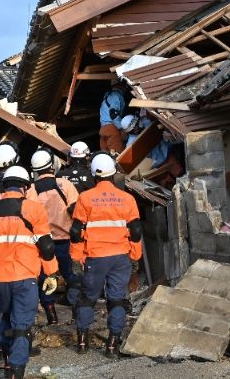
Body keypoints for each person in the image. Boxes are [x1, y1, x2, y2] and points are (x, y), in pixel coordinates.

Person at [0, 166, 59, 379]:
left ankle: (5, 361)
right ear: (25, 186)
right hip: (25, 276)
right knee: (22, 325)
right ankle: (16, 371)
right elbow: (47, 246)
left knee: (3, 318)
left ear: (4, 185)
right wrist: (50, 273)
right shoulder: (34, 209)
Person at [69, 152, 143, 358]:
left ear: (94, 175)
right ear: (113, 174)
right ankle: (112, 345)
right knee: (117, 299)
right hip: (120, 257)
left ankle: (82, 343)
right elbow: (135, 231)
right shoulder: (127, 199)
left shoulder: (85, 198)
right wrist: (135, 257)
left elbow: (76, 232)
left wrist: (76, 258)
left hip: (95, 256)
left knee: (87, 298)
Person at [28, 148, 81, 324]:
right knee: (72, 277)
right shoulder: (65, 185)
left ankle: (51, 316)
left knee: (46, 280)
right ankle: (77, 314)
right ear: (52, 166)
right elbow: (76, 211)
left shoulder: (31, 190)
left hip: (43, 244)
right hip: (67, 242)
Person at [98, 83, 128, 154]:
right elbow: (113, 113)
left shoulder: (108, 95)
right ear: (120, 86)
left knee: (105, 155)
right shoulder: (117, 96)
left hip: (103, 129)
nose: (126, 89)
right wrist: (122, 127)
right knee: (117, 155)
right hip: (111, 129)